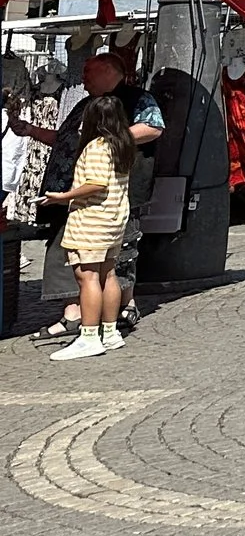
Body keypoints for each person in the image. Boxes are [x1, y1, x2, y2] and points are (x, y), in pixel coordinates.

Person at [28, 46, 161, 347]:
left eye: (89, 71)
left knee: (115, 259)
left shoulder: (135, 99)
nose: (83, 77)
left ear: (108, 72)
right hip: (71, 195)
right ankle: (75, 313)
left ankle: (117, 314)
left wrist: (109, 140)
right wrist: (32, 131)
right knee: (69, 256)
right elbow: (65, 139)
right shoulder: (86, 104)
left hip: (106, 198)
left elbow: (154, 127)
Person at [41, 88, 135, 361]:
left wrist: (63, 197)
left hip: (92, 220)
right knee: (108, 274)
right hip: (114, 218)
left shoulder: (96, 147)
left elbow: (95, 183)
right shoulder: (123, 144)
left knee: (88, 277)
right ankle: (111, 331)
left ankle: (90, 336)